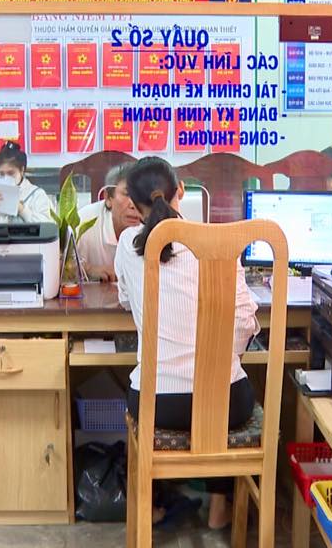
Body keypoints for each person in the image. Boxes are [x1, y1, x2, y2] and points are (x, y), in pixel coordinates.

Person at [114, 157, 259, 530]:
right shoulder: (222, 244)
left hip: (157, 406)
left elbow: (128, 302)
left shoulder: (129, 242)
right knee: (227, 391)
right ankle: (219, 507)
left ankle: (151, 507)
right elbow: (245, 322)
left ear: (133, 202)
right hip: (227, 405)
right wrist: (217, 357)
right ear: (181, 191)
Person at [76, 163, 141, 282]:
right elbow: (58, 265)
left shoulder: (153, 224)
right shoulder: (84, 221)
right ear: (108, 198)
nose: (134, 205)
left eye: (140, 195)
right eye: (127, 194)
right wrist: (89, 269)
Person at [0, 141, 53, 224]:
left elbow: (47, 227)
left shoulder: (37, 195)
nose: (6, 178)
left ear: (22, 170)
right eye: (2, 174)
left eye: (11, 173)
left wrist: (22, 209)